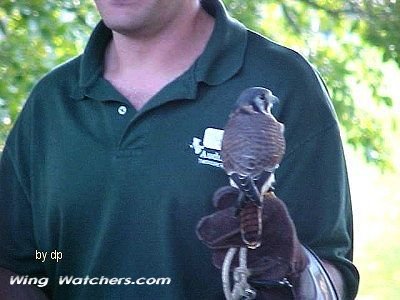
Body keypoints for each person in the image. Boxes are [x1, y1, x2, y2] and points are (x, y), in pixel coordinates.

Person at [0, 0, 359, 299]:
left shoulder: (283, 82)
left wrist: (292, 264)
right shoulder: (52, 102)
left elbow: (333, 284)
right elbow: (20, 269)